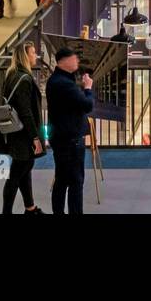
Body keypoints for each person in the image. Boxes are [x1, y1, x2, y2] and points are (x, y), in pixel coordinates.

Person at [0, 43, 44, 214]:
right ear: (25, 56)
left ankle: (30, 208)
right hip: (24, 135)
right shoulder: (24, 79)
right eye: (33, 53)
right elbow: (26, 112)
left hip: (14, 133)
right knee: (16, 174)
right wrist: (35, 138)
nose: (35, 55)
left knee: (24, 170)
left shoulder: (11, 75)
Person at [47, 47, 94, 214]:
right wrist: (88, 88)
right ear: (64, 61)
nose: (77, 61)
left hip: (61, 138)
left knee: (61, 180)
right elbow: (87, 105)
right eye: (74, 58)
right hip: (70, 141)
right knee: (75, 182)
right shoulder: (64, 84)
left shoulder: (57, 80)